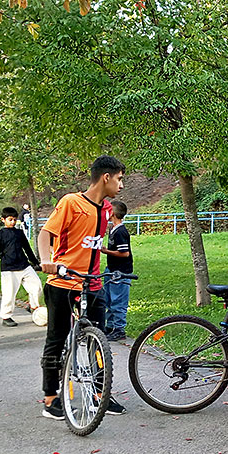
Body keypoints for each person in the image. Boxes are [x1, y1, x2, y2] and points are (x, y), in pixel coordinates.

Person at [38, 156, 126, 420]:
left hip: (92, 282)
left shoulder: (107, 209)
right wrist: (46, 260)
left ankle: (100, 394)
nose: (122, 185)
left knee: (97, 341)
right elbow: (45, 234)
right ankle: (51, 398)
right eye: (120, 179)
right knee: (56, 338)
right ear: (106, 177)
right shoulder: (71, 202)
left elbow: (93, 244)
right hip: (63, 281)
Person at [0, 207, 42, 327]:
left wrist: (36, 263)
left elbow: (27, 248)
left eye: (14, 220)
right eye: (10, 219)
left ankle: (32, 306)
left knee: (37, 286)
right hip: (9, 268)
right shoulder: (0, 234)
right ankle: (6, 316)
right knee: (9, 294)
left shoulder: (19, 233)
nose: (12, 222)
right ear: (3, 220)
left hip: (24, 265)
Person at [101, 200, 133, 342]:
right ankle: (110, 326)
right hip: (112, 270)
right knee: (108, 299)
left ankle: (119, 329)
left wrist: (106, 251)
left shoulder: (121, 231)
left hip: (120, 272)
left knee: (118, 301)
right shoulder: (112, 229)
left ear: (112, 213)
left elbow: (124, 253)